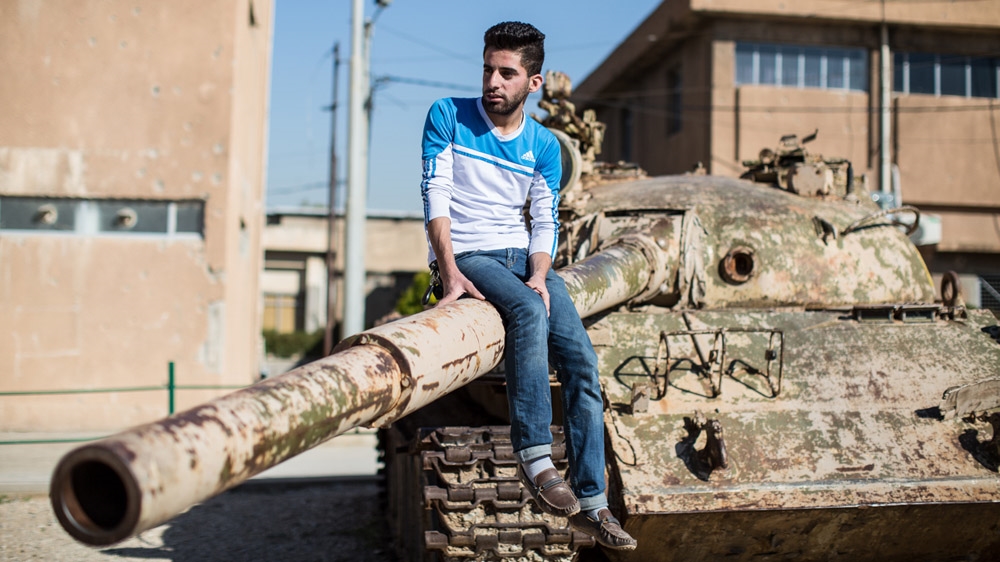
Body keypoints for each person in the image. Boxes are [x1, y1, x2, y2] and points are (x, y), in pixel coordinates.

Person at [419, 21, 637, 551]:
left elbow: (544, 220)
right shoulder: (447, 115)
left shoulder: (543, 144)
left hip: (523, 258)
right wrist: (448, 269)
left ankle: (594, 505)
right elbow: (435, 196)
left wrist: (540, 273)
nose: (493, 81)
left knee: (582, 362)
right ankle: (535, 457)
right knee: (527, 312)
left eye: (507, 73)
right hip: (471, 253)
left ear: (533, 83)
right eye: (488, 69)